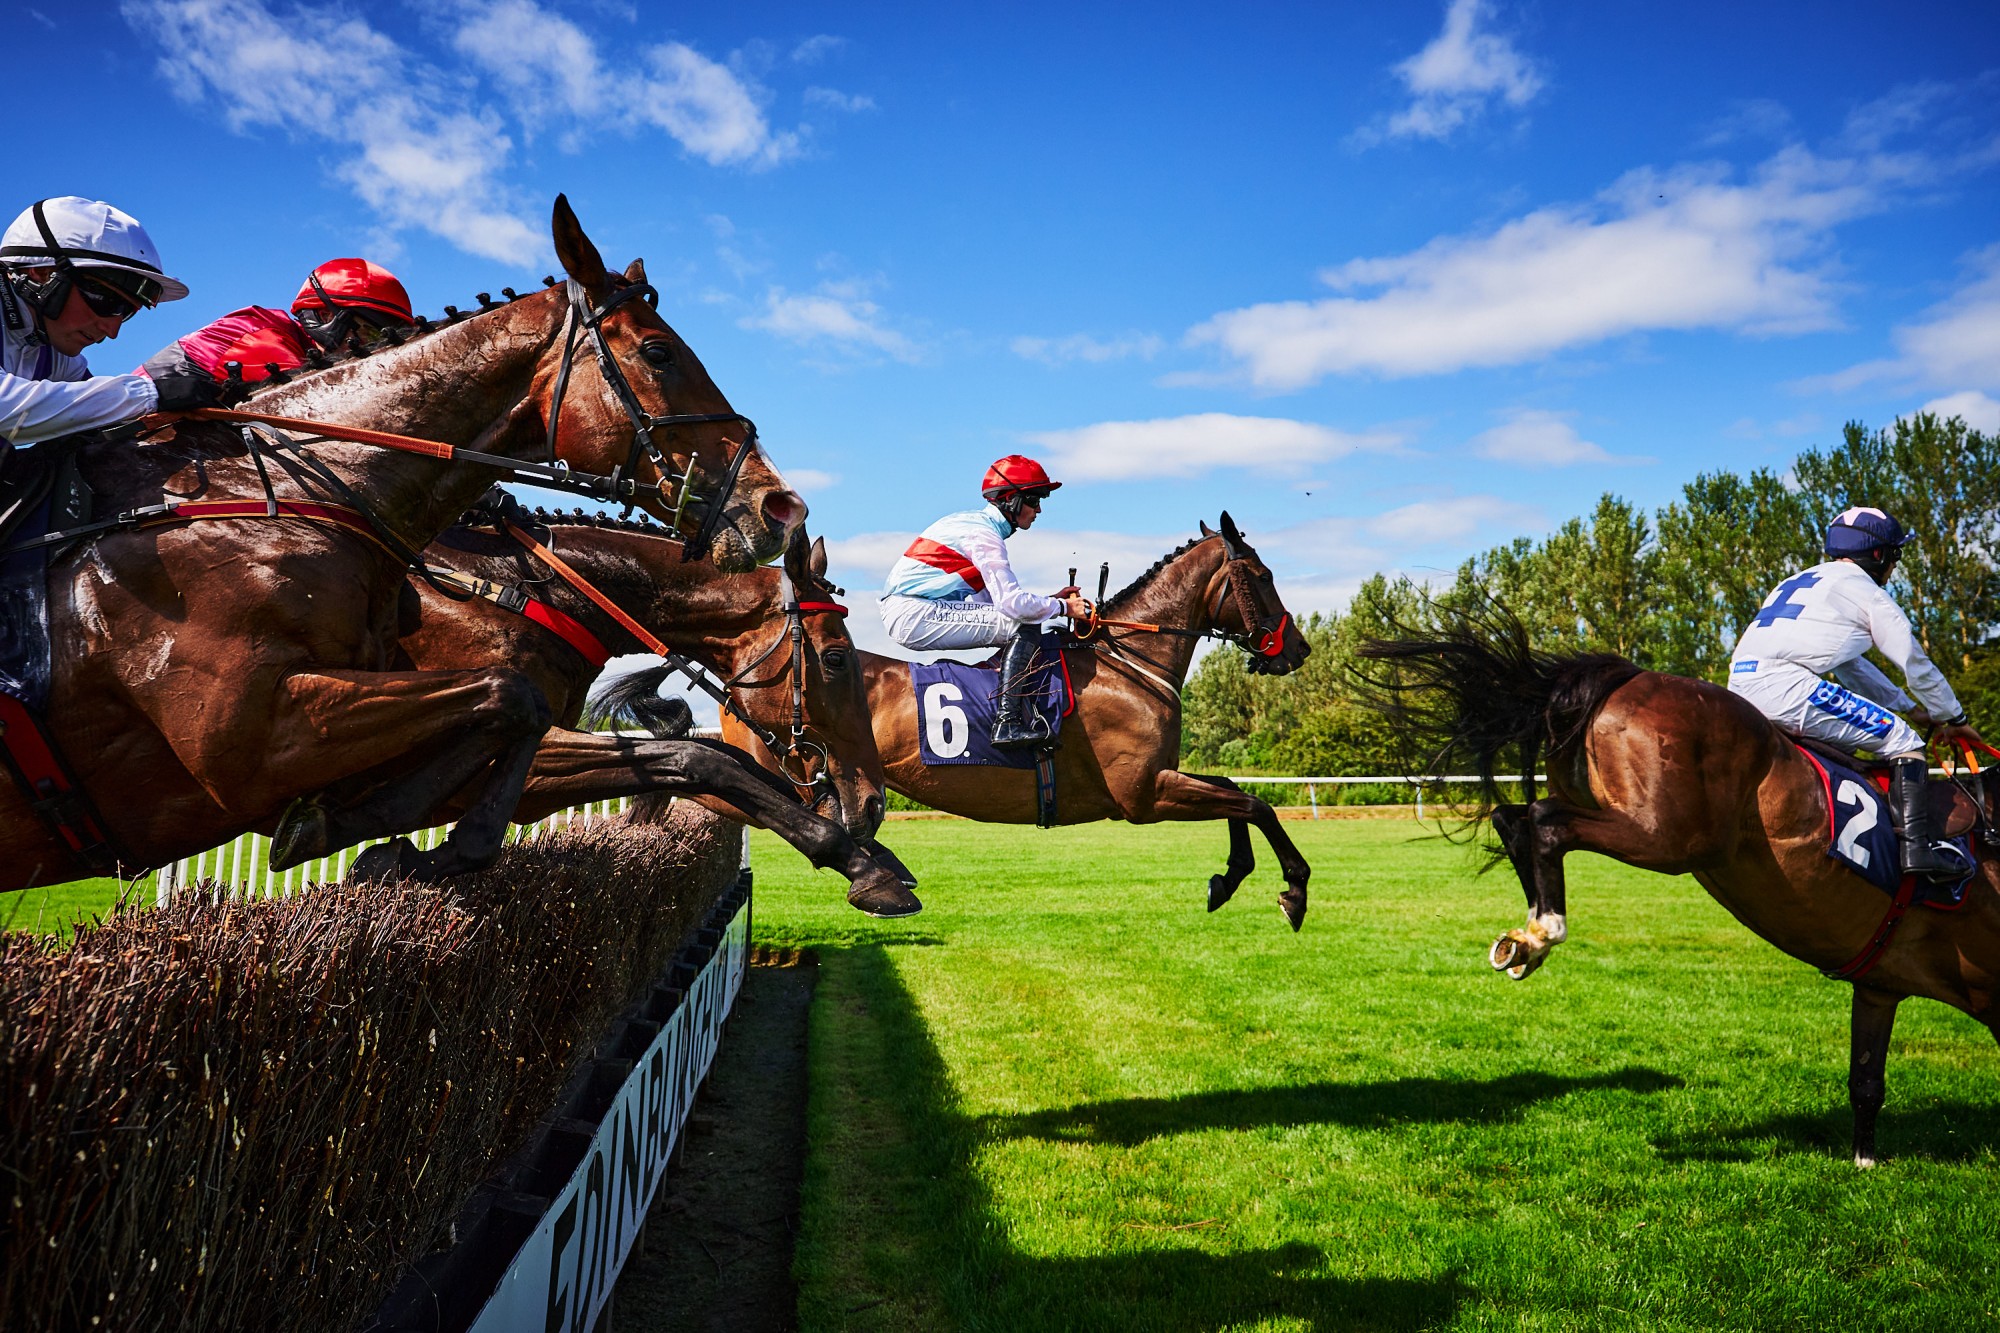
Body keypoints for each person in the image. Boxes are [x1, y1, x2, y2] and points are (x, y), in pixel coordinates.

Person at [1728, 506, 1987, 878]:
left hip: (1741, 684)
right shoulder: (1867, 593)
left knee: (1853, 744)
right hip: (1787, 685)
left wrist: (1908, 706)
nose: (1895, 567)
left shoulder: (1804, 579)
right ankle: (1917, 850)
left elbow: (1851, 666)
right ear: (1879, 555)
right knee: (1904, 741)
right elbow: (1915, 663)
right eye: (1895, 556)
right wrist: (1954, 718)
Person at [881, 455, 1091, 749]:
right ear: (1011, 501)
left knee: (1020, 621)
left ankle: (997, 693)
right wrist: (1065, 608)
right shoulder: (984, 535)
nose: (1039, 509)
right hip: (912, 612)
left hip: (911, 608)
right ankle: (1007, 723)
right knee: (1023, 623)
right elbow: (1013, 606)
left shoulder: (974, 525)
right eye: (1034, 499)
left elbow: (991, 603)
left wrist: (1050, 601)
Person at [0, 196, 213, 451]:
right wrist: (153, 393)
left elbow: (93, 414)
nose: (111, 331)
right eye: (108, 302)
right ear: (42, 273)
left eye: (125, 312)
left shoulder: (54, 348)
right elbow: (6, 410)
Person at [140, 257, 415, 392]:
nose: (374, 347)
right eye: (369, 332)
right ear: (325, 316)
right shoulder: (264, 337)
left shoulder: (301, 346)